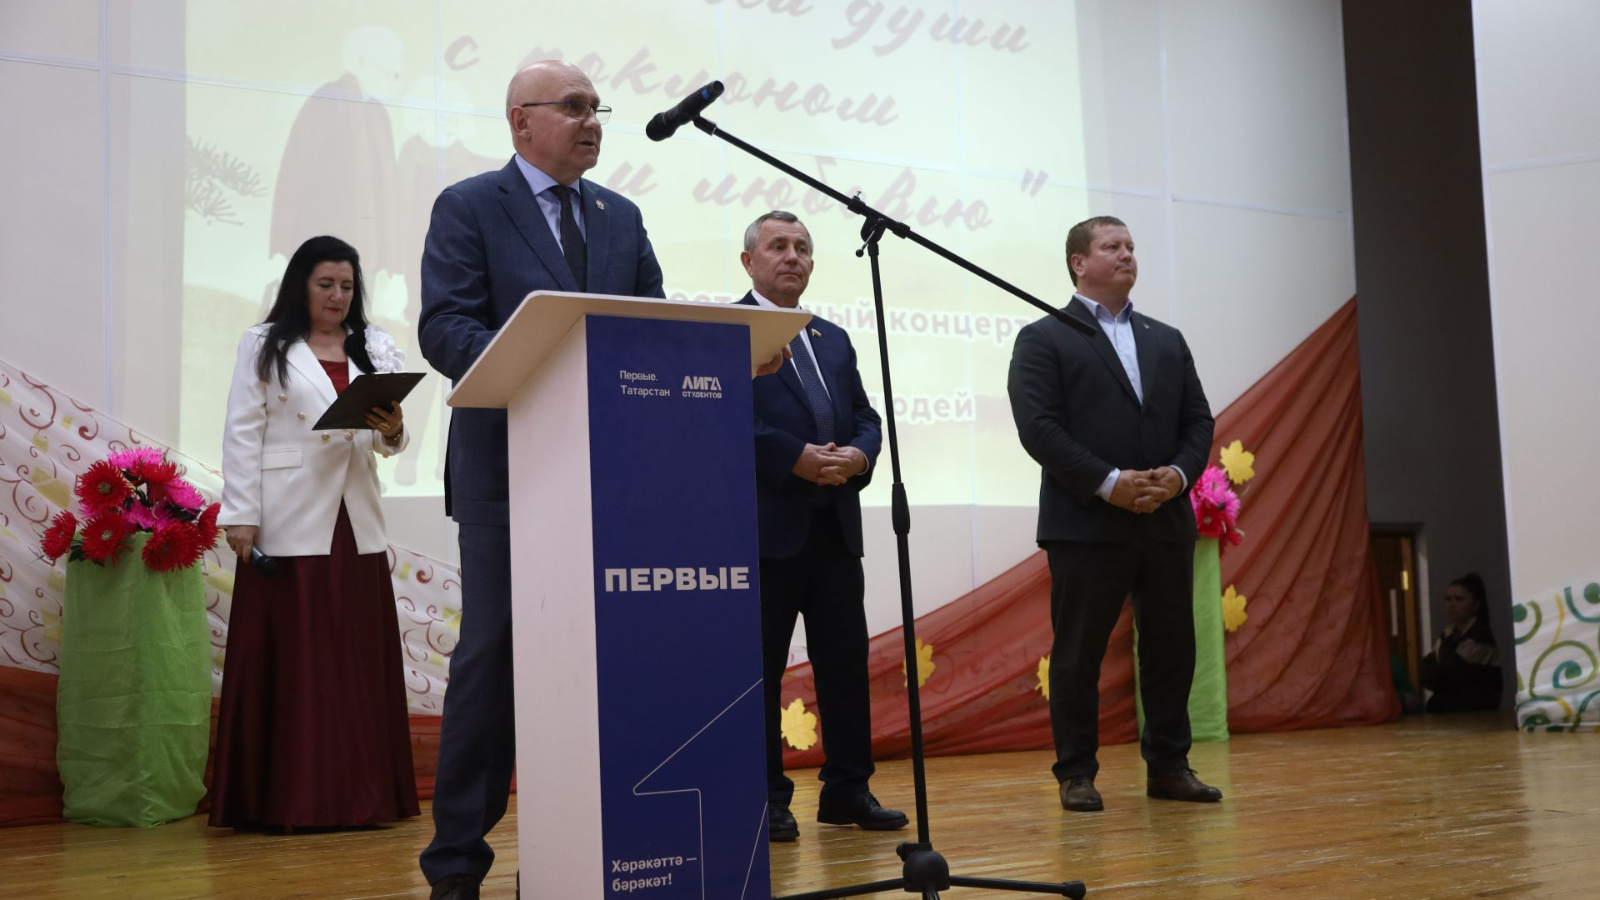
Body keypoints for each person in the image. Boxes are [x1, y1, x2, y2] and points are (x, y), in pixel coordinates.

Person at [415, 60, 666, 900]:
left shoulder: (621, 216)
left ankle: (590, 844)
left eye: (598, 108)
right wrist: (544, 368)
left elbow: (651, 323)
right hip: (507, 471)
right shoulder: (469, 206)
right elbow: (446, 326)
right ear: (521, 121)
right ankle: (458, 860)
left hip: (610, 476)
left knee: (607, 658)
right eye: (574, 107)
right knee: (494, 657)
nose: (592, 121)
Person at [1006, 215, 1221, 812]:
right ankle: (1076, 772)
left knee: (1172, 648)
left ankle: (1170, 766)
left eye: (1130, 246)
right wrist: (1108, 483)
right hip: (1086, 523)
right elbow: (1039, 428)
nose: (1126, 254)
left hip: (1164, 518)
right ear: (1079, 262)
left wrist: (1177, 476)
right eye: (1111, 246)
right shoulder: (1045, 337)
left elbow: (1198, 421)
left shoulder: (1166, 339)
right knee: (1079, 654)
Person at [213, 235, 417, 829]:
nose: (337, 296)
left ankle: (363, 794)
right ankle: (290, 798)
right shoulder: (263, 343)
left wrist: (393, 428)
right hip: (289, 514)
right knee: (299, 661)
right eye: (325, 284)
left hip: (356, 515)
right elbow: (242, 431)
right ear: (301, 285)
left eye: (347, 286)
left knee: (354, 658)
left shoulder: (373, 344)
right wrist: (241, 513)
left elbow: (390, 440)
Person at [735, 211, 907, 842]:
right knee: (759, 672)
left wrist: (858, 456)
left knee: (844, 666)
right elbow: (724, 414)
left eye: (803, 248)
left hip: (835, 528)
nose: (793, 256)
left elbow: (865, 417)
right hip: (764, 531)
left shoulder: (830, 337)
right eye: (778, 246)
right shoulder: (729, 331)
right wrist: (793, 457)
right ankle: (765, 799)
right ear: (749, 261)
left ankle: (846, 790)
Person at [1421, 573, 1502, 713]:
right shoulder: (1447, 634)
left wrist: (1438, 672)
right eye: (1448, 599)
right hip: (1448, 711)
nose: (1452, 605)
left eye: (1459, 599)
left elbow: (1452, 675)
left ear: (1476, 604)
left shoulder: (1480, 638)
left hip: (1476, 713)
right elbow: (1426, 672)